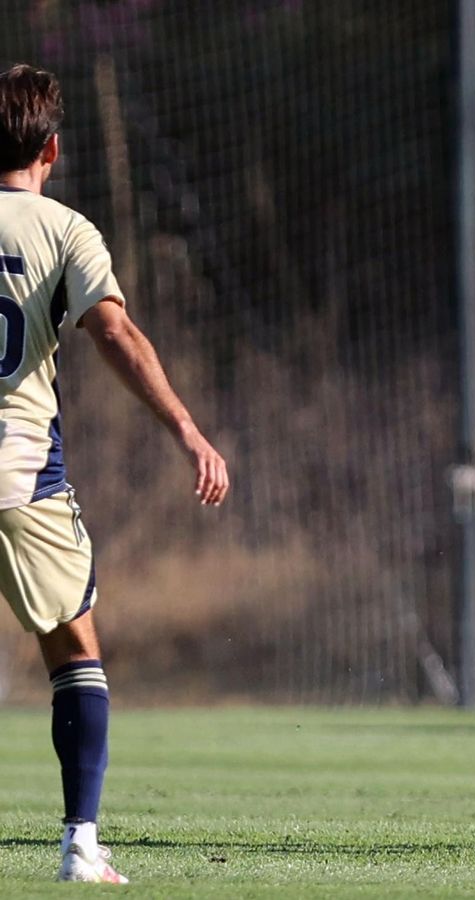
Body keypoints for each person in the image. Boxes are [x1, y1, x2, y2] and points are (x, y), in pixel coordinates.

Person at [0, 64, 230, 884]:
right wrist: (187, 429)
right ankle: (80, 845)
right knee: (75, 650)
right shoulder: (66, 230)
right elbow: (115, 334)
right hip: (20, 470)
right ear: (53, 150)